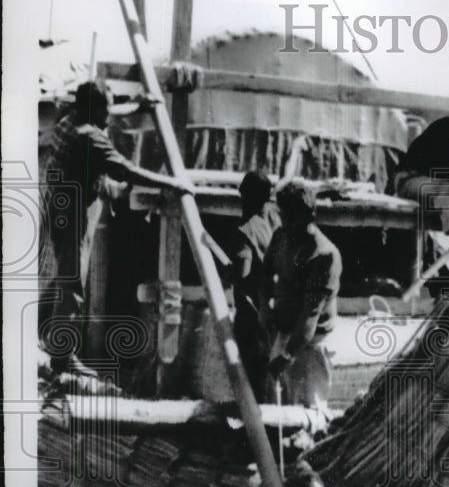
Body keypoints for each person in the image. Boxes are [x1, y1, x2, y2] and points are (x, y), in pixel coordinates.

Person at [42, 79, 195, 376]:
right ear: (94, 109)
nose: (110, 116)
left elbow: (105, 115)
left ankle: (55, 347)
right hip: (72, 212)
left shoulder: (69, 119)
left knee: (66, 277)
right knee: (73, 286)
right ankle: (60, 359)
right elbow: (128, 170)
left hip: (59, 204)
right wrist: (174, 183)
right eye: (107, 109)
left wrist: (138, 106)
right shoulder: (91, 137)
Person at [260, 178, 342, 407]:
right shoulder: (280, 236)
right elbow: (265, 275)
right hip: (284, 331)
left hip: (310, 341)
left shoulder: (324, 256)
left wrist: (286, 357)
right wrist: (265, 307)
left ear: (310, 216)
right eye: (282, 215)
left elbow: (310, 316)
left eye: (291, 218)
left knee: (308, 414)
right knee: (276, 409)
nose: (285, 223)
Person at [387, 115, 449, 294]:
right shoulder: (446, 129)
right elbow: (446, 164)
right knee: (446, 189)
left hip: (429, 187)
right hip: (409, 180)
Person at [228, 170, 281, 401]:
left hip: (252, 314)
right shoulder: (276, 219)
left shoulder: (245, 231)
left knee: (251, 379)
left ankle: (251, 433)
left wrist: (227, 270)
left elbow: (242, 274)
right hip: (275, 308)